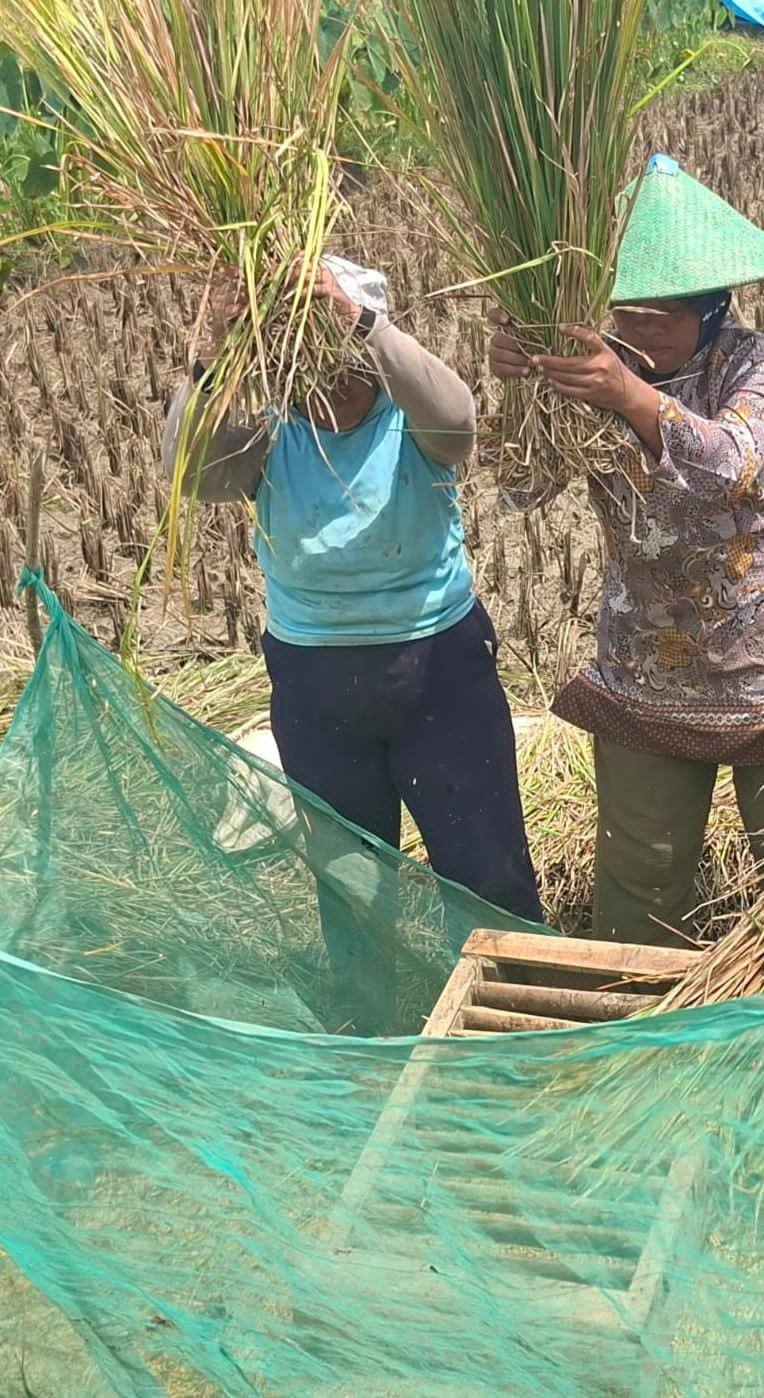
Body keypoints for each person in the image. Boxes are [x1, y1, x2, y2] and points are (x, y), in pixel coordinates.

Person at [489, 154, 764, 947]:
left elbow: (729, 465)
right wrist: (522, 387)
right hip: (649, 666)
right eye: (626, 313)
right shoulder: (592, 368)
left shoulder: (763, 367)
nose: (638, 331)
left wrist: (631, 396)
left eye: (660, 317)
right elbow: (519, 488)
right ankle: (638, 1016)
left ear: (714, 308)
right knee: (641, 882)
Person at [163, 255, 541, 1026]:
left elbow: (459, 425)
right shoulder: (270, 425)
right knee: (350, 878)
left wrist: (357, 319)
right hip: (316, 681)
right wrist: (212, 356)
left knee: (485, 867)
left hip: (437, 668)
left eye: (343, 356)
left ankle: (517, 1018)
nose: (329, 382)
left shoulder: (410, 413)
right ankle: (372, 1027)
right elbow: (193, 476)